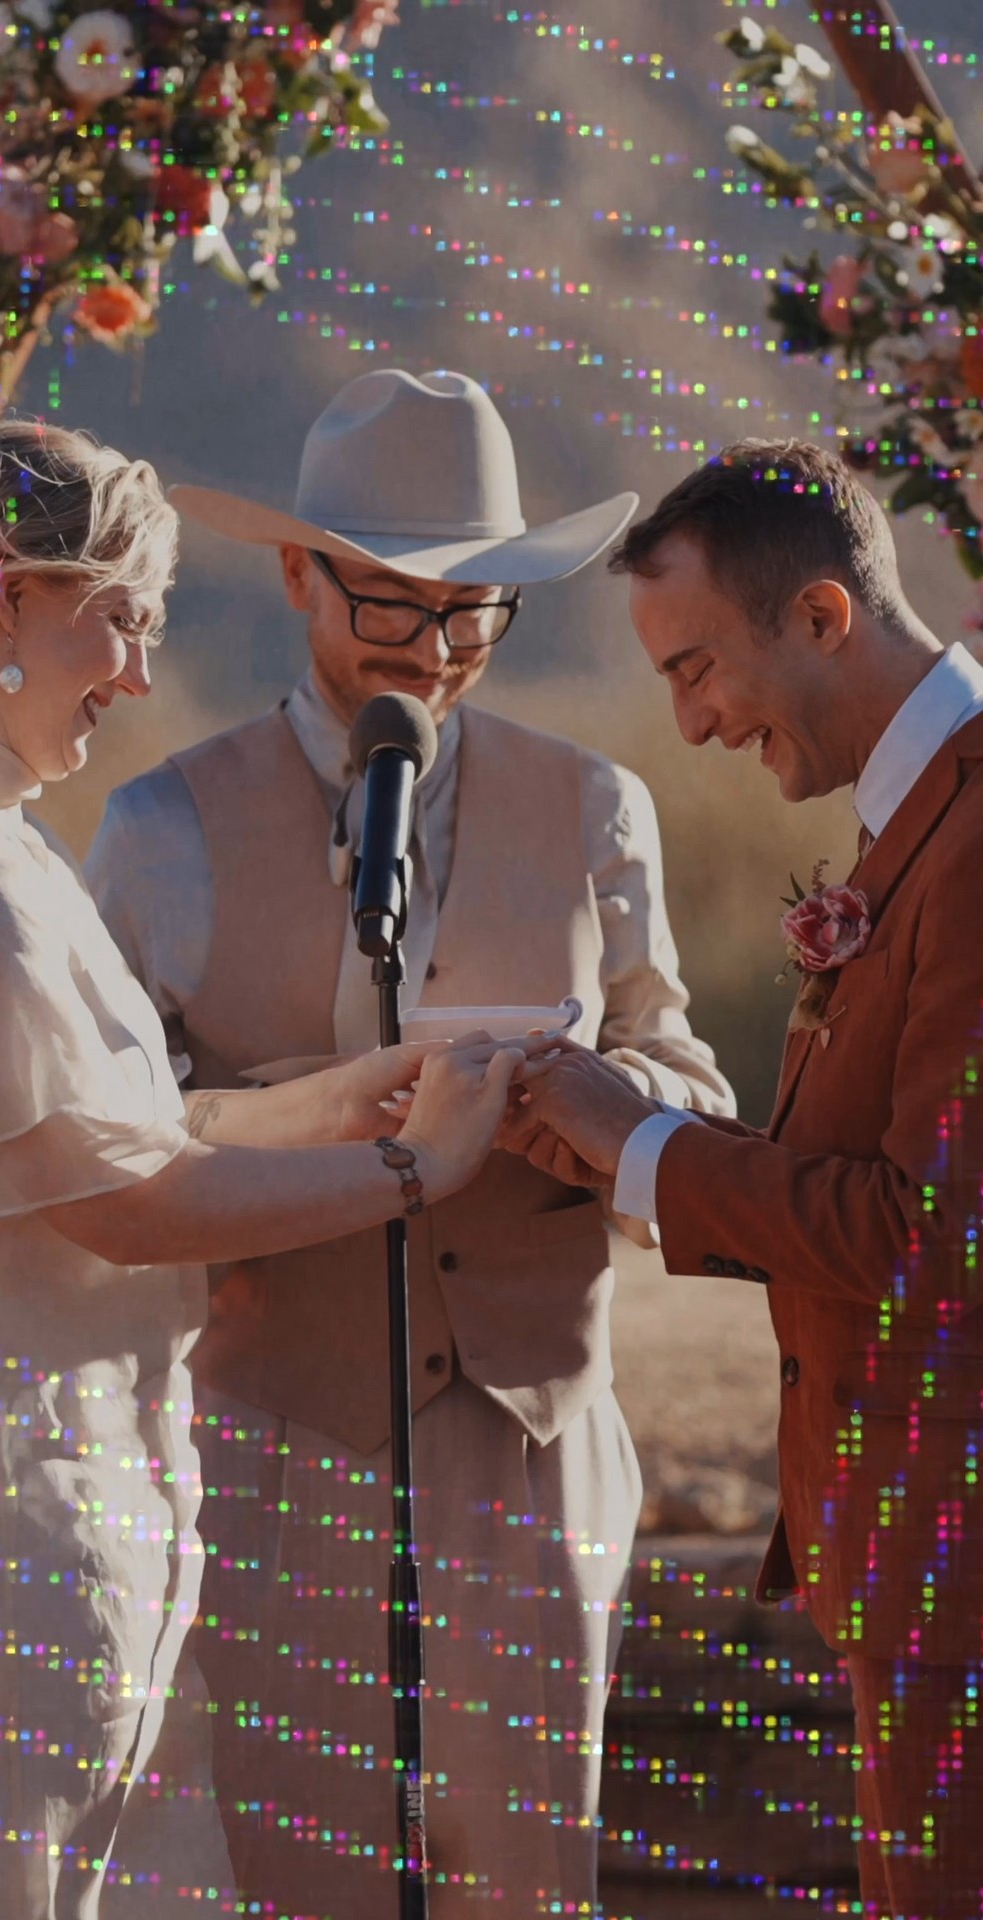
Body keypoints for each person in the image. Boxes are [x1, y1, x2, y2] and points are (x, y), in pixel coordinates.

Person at [86, 366, 735, 1915]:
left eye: (474, 612)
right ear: (300, 573)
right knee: (292, 1870)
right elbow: (104, 1147)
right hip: (271, 1441)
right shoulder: (159, 828)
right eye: (394, 608)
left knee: (525, 1875)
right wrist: (328, 1105)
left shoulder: (598, 808)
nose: (437, 655)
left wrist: (606, 1112)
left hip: (531, 1439)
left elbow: (685, 1076)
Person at [0, 417, 537, 1920]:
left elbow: (124, 1134)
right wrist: (411, 1178)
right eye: (118, 620)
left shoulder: (1, 851)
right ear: (5, 596)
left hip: (69, 1520)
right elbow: (122, 1207)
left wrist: (335, 1107)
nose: (135, 674)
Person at [504, 438, 983, 1920]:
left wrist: (643, 1138)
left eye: (699, 667)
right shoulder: (913, 819)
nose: (692, 723)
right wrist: (628, 1153)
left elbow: (927, 1241)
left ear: (825, 618)